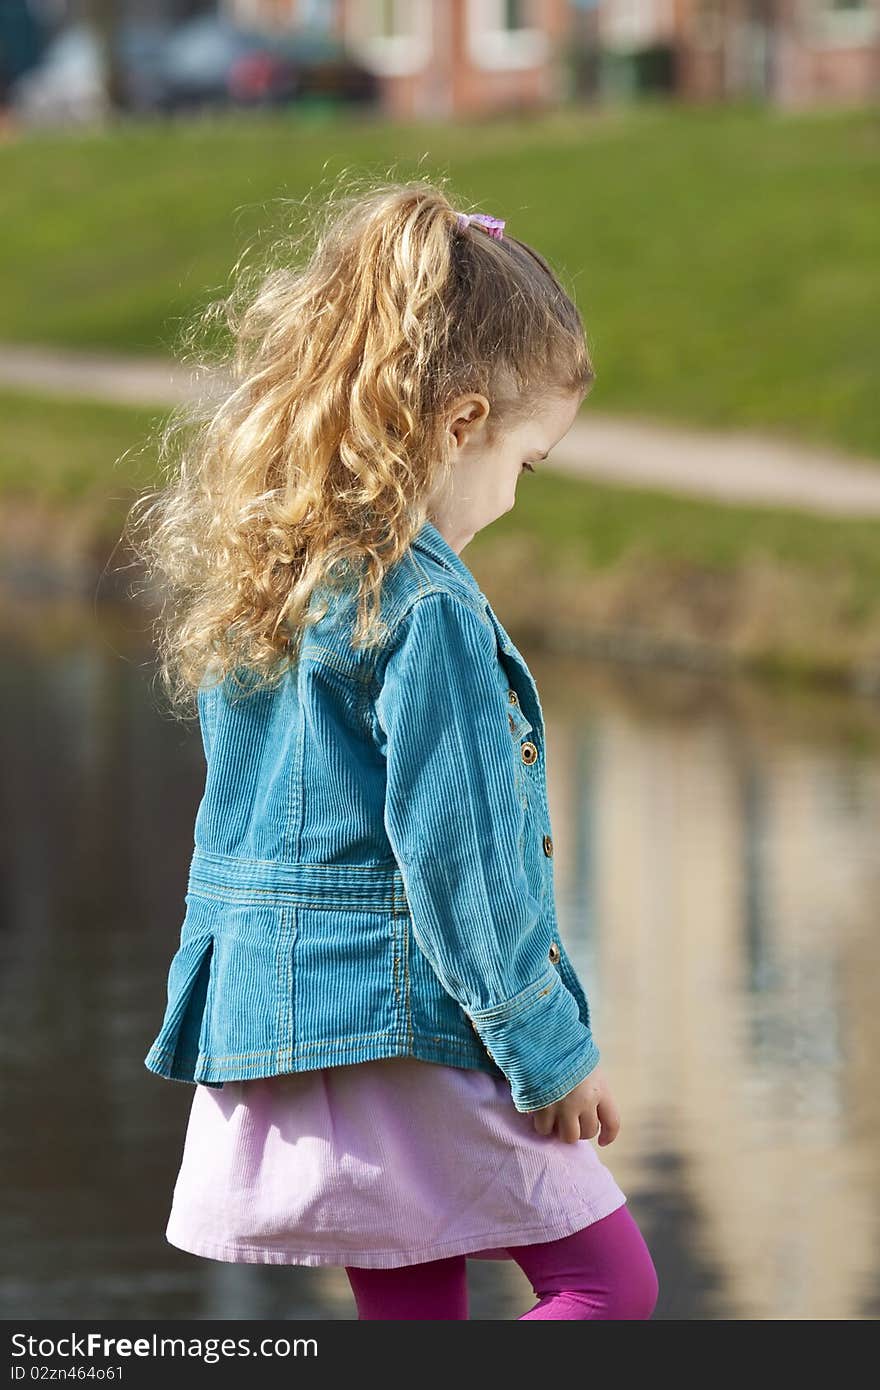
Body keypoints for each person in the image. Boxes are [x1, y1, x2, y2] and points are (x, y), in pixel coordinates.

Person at [131, 181, 659, 1321]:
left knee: (410, 1305)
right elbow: (465, 868)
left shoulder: (268, 578)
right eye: (528, 463)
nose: (514, 500)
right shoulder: (430, 611)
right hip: (408, 1016)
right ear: (461, 422)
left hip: (282, 1023)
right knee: (608, 1285)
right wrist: (551, 1052)